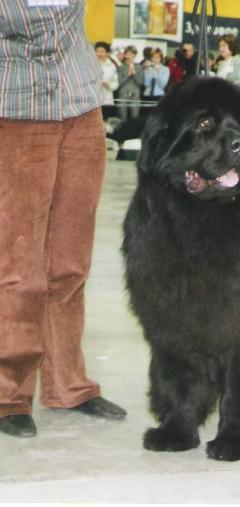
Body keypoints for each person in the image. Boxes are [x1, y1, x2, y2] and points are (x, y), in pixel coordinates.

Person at [0, 0, 126, 438]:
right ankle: (9, 393)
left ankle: (68, 385)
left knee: (70, 262)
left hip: (81, 107)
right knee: (19, 266)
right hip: (15, 109)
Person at [117, 45, 144, 120]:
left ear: (135, 55)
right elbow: (119, 83)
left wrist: (134, 74)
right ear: (125, 55)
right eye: (128, 54)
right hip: (122, 97)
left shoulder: (139, 67)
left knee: (134, 119)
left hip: (135, 97)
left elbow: (140, 83)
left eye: (132, 54)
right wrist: (128, 75)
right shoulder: (121, 67)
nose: (129, 56)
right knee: (122, 119)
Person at [94, 41, 119, 119]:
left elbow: (116, 83)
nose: (99, 53)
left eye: (102, 51)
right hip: (92, 101)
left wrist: (109, 85)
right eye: (97, 51)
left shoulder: (112, 66)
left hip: (107, 100)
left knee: (105, 122)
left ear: (107, 53)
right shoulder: (90, 65)